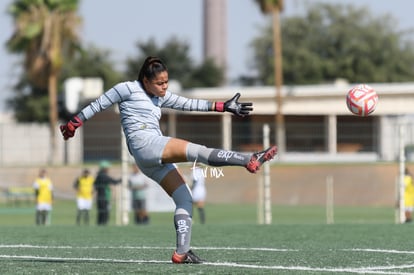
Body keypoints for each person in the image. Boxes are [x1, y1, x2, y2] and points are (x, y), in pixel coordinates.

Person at [60, 56, 277, 264]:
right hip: (147, 144)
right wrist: (74, 123)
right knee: (198, 151)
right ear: (145, 81)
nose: (164, 87)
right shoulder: (126, 88)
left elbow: (189, 103)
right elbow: (99, 103)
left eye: (166, 82)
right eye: (159, 83)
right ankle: (249, 159)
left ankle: (182, 253)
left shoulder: (161, 96)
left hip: (146, 160)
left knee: (184, 199)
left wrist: (223, 106)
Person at [94, 161, 121, 225]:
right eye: (107, 168)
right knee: (105, 213)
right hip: (104, 197)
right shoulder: (103, 176)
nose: (108, 169)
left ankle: (100, 225)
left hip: (100, 197)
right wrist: (122, 179)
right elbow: (114, 182)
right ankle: (103, 226)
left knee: (101, 213)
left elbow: (95, 185)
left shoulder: (98, 176)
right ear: (104, 168)